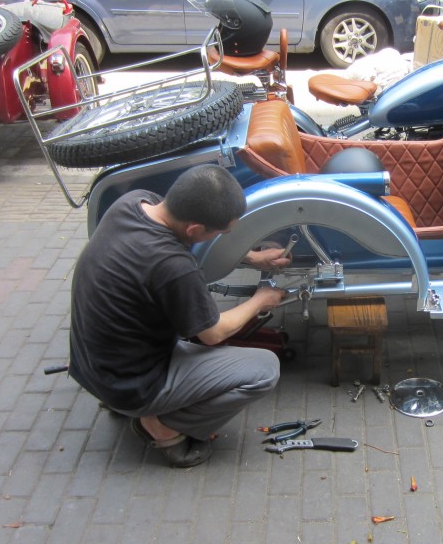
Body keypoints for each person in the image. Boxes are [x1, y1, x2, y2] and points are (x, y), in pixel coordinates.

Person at [68, 164, 290, 468]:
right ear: (195, 230)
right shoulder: (173, 265)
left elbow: (182, 243)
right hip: (130, 384)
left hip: (91, 365)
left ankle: (138, 403)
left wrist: (249, 256)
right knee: (265, 369)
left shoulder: (133, 203)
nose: (224, 236)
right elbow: (213, 333)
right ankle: (163, 427)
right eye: (222, 232)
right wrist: (259, 300)